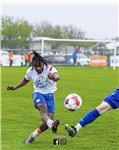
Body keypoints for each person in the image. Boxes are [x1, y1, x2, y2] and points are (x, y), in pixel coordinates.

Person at [7, 51, 60, 144]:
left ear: (43, 64)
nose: (38, 68)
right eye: (36, 66)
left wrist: (54, 77)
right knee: (43, 109)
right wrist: (15, 87)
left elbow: (57, 76)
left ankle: (33, 135)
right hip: (38, 93)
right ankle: (52, 124)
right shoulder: (30, 71)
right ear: (33, 65)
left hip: (50, 95)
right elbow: (25, 80)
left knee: (47, 120)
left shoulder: (49, 68)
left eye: (40, 66)